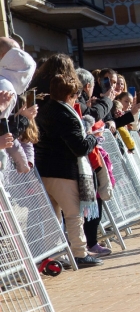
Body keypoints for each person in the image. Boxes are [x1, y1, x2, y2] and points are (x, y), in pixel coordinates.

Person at [35, 74, 103, 268]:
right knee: (74, 215)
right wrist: (92, 136)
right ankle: (80, 253)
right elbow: (80, 147)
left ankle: (55, 256)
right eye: (76, 94)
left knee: (52, 217)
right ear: (70, 94)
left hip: (44, 170)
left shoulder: (45, 109)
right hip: (64, 171)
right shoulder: (66, 115)